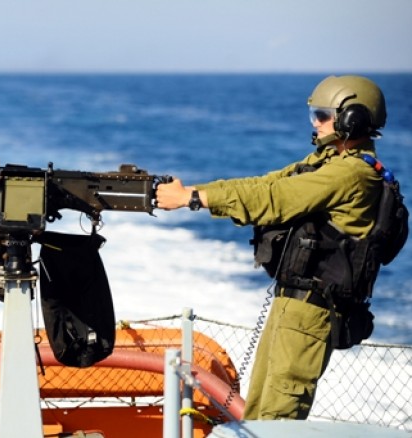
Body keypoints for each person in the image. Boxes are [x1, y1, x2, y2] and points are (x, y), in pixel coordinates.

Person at [156, 75, 388, 420]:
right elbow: (262, 184)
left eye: (323, 115)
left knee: (278, 417)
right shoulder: (327, 163)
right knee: (259, 411)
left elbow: (273, 199)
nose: (316, 122)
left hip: (310, 312)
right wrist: (190, 192)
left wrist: (191, 199)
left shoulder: (351, 174)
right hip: (291, 305)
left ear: (352, 119)